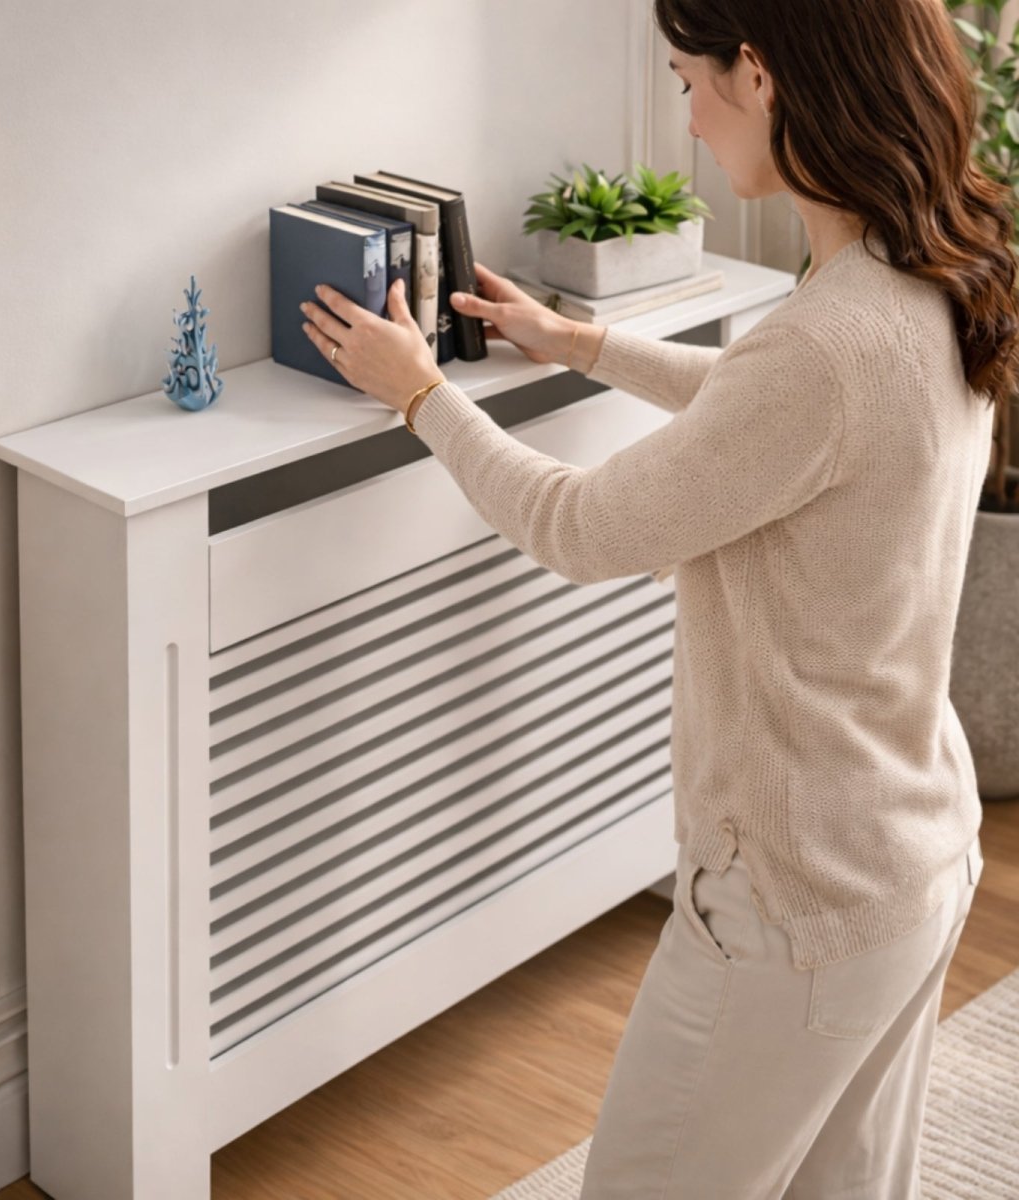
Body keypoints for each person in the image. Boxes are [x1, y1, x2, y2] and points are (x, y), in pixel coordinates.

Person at [299, 0, 1015, 1193]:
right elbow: (772, 417)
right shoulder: (928, 271)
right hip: (910, 861)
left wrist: (421, 394)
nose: (684, 120)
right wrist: (578, 344)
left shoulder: (827, 346)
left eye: (689, 81)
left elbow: (578, 528)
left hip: (796, 907)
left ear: (764, 76)